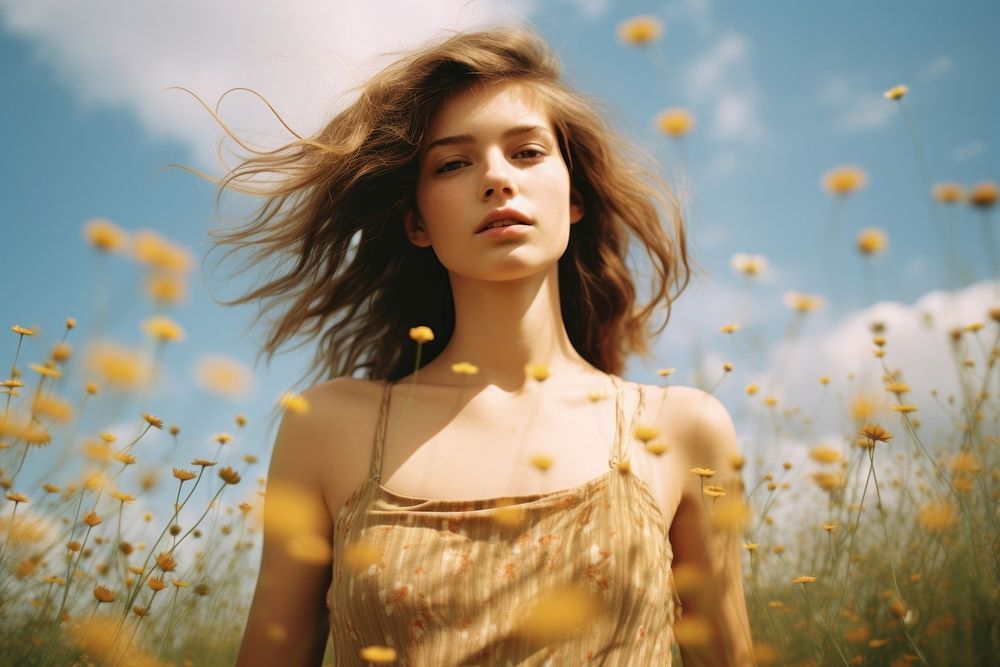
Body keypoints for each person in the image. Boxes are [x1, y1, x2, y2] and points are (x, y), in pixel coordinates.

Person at [210, 24, 752, 666]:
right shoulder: (328, 428)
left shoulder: (681, 429)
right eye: (453, 163)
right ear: (416, 222)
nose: (496, 179)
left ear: (574, 195)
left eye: (526, 153)